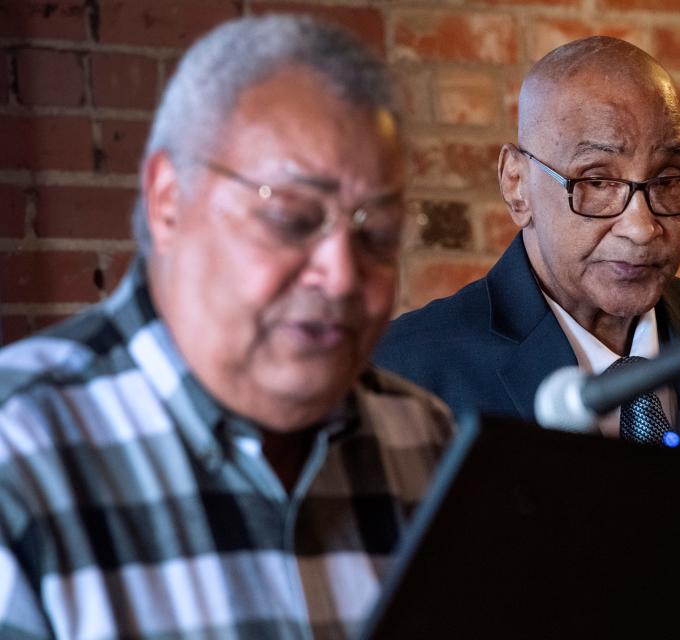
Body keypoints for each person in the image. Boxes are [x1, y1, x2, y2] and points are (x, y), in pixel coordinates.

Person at [0, 15, 452, 640]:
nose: (343, 276)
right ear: (167, 200)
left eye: (376, 235)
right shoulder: (20, 453)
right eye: (293, 218)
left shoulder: (423, 441)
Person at [374, 36, 680, 637]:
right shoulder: (404, 371)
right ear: (516, 184)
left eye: (669, 179)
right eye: (596, 180)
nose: (642, 228)